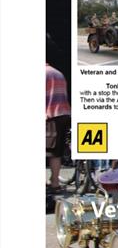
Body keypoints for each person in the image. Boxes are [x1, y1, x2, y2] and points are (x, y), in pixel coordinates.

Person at [46, 63, 71, 193]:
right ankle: (55, 182)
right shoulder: (58, 73)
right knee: (56, 152)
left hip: (50, 115)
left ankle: (53, 182)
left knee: (48, 151)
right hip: (64, 115)